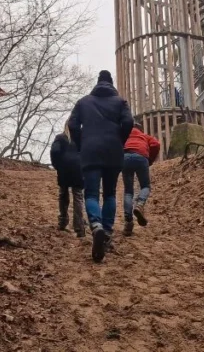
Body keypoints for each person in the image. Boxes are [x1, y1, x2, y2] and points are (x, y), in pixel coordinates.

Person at [68, 70, 133, 263]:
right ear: (111, 83)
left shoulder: (83, 102)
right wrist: (119, 139)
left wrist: (81, 143)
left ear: (96, 83)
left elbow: (72, 125)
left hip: (90, 151)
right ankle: (107, 231)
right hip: (114, 151)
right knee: (110, 193)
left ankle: (96, 226)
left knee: (91, 194)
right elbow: (129, 122)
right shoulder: (120, 102)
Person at [121, 123, 160, 236]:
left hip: (126, 157)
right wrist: (150, 159)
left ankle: (128, 223)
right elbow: (156, 144)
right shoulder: (144, 136)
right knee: (145, 186)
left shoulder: (124, 135)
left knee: (128, 192)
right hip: (141, 157)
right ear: (140, 129)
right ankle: (140, 204)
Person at [49, 129, 86, 238]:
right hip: (78, 168)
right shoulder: (80, 137)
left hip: (64, 168)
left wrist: (57, 165)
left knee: (63, 194)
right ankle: (79, 228)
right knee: (78, 196)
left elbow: (54, 151)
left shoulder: (60, 137)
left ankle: (62, 222)